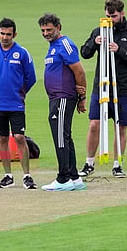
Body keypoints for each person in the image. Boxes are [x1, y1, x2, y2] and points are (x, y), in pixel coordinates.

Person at [79, 0, 127, 178]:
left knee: (120, 126)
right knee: (94, 124)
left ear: (122, 13)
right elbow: (84, 53)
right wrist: (95, 42)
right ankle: (89, 163)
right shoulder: (99, 30)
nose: (110, 19)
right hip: (101, 86)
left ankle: (118, 164)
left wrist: (119, 50)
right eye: (108, 15)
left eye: (114, 16)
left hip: (124, 87)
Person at [0, 18, 37, 189]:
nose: (5, 37)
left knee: (20, 137)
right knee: (2, 138)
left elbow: (31, 77)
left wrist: (20, 93)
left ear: (14, 34)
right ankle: (8, 175)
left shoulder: (22, 52)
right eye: (2, 34)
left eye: (8, 34)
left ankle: (27, 176)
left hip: (16, 104)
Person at [38, 13, 87, 191]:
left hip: (63, 97)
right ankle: (74, 177)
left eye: (49, 29)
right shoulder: (54, 46)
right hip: (58, 98)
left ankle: (63, 178)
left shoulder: (64, 44)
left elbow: (79, 72)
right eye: (43, 30)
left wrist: (82, 96)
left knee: (60, 137)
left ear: (59, 27)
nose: (45, 33)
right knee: (65, 136)